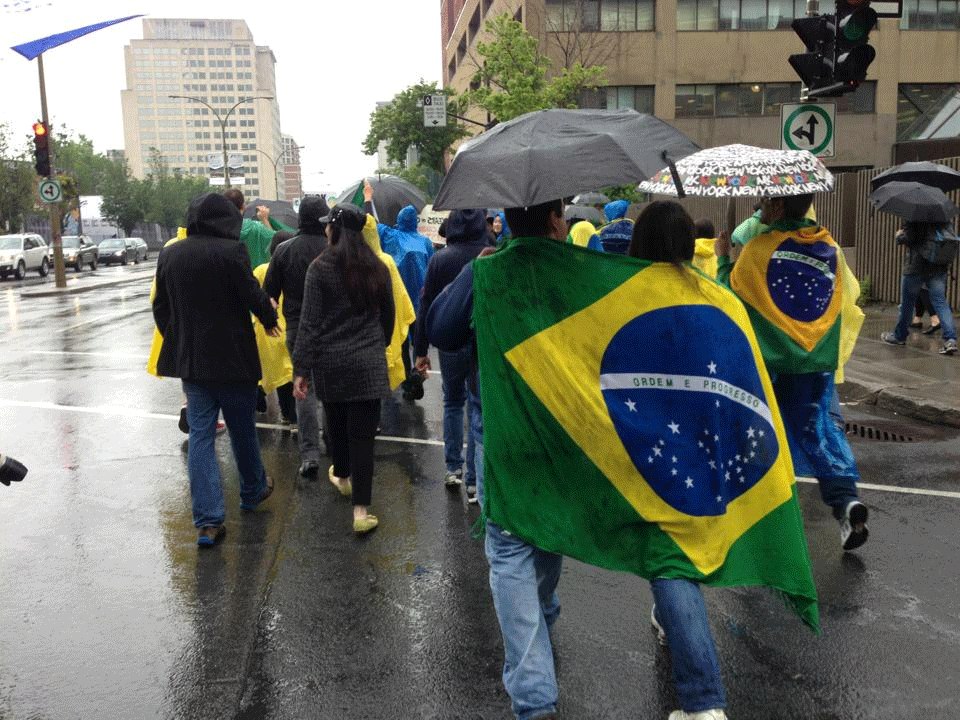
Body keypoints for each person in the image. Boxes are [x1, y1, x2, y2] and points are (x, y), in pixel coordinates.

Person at [717, 193, 870, 551]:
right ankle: (845, 501)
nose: (760, 206)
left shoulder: (759, 250)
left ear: (777, 207)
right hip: (817, 359)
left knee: (759, 435)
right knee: (819, 434)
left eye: (765, 201)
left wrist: (725, 259)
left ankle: (762, 519)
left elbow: (729, 298)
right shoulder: (829, 247)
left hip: (773, 362)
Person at [153, 193, 279, 548]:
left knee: (202, 438)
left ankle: (208, 522)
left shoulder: (171, 253)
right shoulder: (232, 251)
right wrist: (269, 319)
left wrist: (179, 339)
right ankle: (253, 490)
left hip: (194, 364)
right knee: (242, 431)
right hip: (234, 359)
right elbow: (251, 294)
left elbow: (161, 306)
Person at [292, 203, 394, 534]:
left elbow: (309, 324)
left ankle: (343, 476)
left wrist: (300, 370)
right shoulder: (378, 268)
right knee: (363, 437)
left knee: (337, 428)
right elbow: (388, 318)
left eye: (327, 226)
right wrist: (379, 345)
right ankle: (361, 513)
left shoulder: (319, 269)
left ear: (334, 230)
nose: (324, 230)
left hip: (330, 364)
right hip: (367, 362)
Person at [413, 208, 490, 503]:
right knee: (477, 406)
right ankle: (473, 481)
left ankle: (452, 467)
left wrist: (420, 350)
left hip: (450, 341)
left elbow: (426, 305)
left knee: (453, 401)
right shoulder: (490, 254)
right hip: (482, 342)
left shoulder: (440, 259)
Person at [264, 196, 330, 477]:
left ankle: (309, 455)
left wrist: (270, 323)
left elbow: (269, 296)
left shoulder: (283, 251)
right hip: (332, 328)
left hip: (296, 328)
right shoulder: (333, 248)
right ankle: (334, 445)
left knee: (304, 390)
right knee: (331, 391)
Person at [377, 204, 435, 400]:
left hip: (398, 303)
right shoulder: (425, 242)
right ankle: (417, 374)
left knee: (401, 343)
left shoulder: (391, 236)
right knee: (419, 344)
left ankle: (408, 380)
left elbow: (371, 224)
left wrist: (369, 199)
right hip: (420, 303)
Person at [881, 221, 957, 355]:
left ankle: (900, 336)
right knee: (940, 302)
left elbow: (909, 238)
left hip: (916, 267)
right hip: (938, 267)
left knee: (907, 303)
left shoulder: (915, 217)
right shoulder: (944, 218)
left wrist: (899, 235)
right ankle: (950, 339)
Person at [223, 188, 276, 269]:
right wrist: (265, 219)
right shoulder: (257, 228)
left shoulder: (217, 229)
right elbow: (275, 242)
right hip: (255, 277)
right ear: (243, 206)